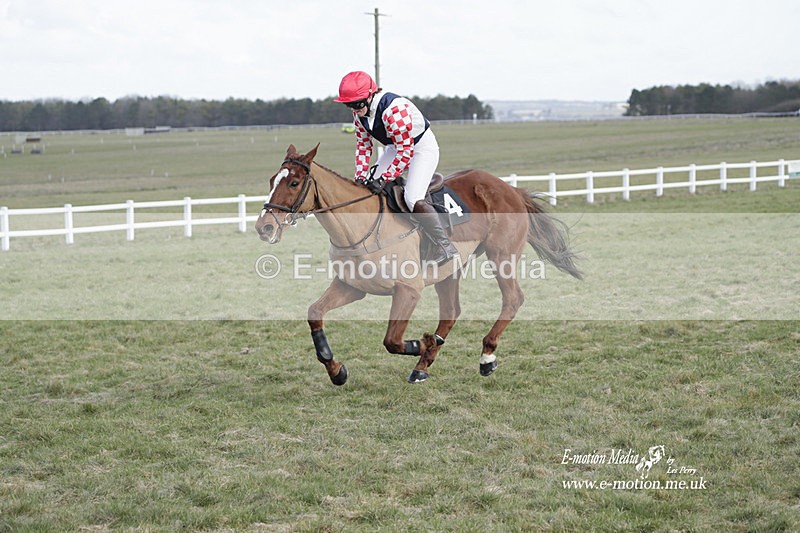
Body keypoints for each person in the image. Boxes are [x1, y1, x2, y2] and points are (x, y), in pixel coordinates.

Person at [334, 70, 458, 264]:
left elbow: (406, 152)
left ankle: (445, 245)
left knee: (412, 198)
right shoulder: (359, 115)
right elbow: (363, 146)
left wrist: (384, 178)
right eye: (348, 105)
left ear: (370, 96)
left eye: (356, 104)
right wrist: (360, 175)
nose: (353, 109)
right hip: (395, 147)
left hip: (420, 148)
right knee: (368, 187)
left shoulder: (394, 110)